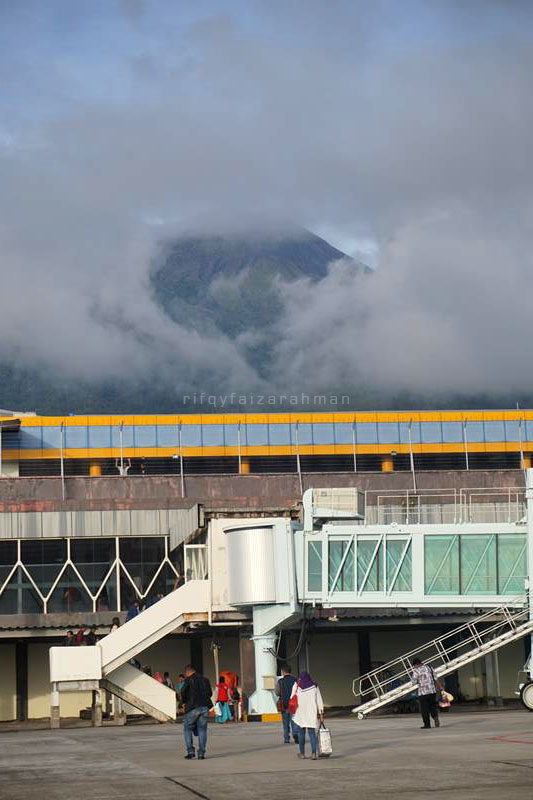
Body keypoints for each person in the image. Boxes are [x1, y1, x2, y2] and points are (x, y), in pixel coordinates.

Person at [180, 664, 213, 760]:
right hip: (205, 707)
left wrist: (185, 702)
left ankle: (190, 751)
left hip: (192, 708)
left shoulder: (188, 680)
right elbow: (210, 693)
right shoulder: (205, 680)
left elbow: (183, 692)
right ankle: (201, 753)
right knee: (202, 730)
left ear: (187, 672)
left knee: (187, 728)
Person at [290, 671, 324, 760]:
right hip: (311, 713)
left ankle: (302, 753)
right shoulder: (315, 686)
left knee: (301, 734)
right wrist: (321, 713)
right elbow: (319, 701)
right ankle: (314, 754)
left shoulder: (297, 684)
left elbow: (291, 697)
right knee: (312, 734)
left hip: (300, 713)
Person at [411, 658, 442, 729]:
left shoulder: (416, 671)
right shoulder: (429, 667)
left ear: (415, 664)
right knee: (432, 706)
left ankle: (427, 725)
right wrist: (440, 687)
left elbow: (414, 682)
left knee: (424, 709)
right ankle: (435, 718)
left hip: (423, 693)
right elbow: (436, 678)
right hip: (432, 691)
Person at [276, 663, 300, 744]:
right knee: (294, 721)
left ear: (283, 672)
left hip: (284, 704)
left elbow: (277, 692)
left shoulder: (280, 681)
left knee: (285, 723)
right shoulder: (295, 680)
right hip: (294, 704)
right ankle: (295, 734)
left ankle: (286, 738)